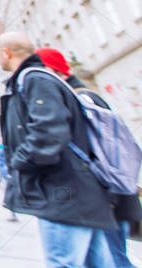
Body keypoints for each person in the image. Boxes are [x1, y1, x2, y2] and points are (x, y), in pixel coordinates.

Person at [0, 32, 116, 266]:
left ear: (6, 52)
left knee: (62, 262)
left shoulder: (34, 80)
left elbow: (48, 133)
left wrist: (20, 163)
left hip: (62, 192)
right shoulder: (37, 79)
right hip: (74, 192)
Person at [36, 46, 142, 268]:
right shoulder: (81, 98)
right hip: (109, 196)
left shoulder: (82, 100)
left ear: (58, 72)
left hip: (108, 196)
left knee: (115, 259)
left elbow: (103, 153)